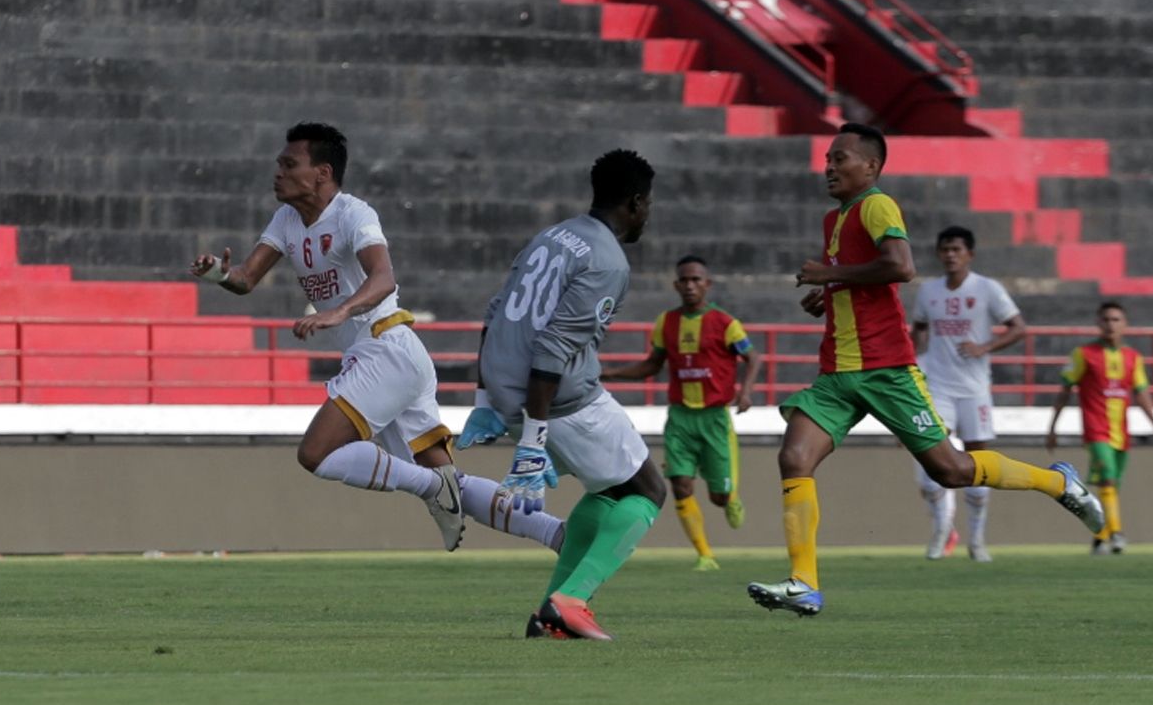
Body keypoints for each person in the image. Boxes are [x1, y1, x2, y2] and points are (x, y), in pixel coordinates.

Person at [748, 124, 1106, 617]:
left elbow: (901, 266)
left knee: (953, 470)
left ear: (870, 167)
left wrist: (831, 275)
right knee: (794, 458)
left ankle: (1059, 483)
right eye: (828, 158)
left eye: (841, 158)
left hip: (885, 369)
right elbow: (868, 278)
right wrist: (829, 294)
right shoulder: (836, 217)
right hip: (837, 373)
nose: (829, 166)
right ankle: (804, 583)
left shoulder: (877, 204)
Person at [188, 123, 565, 554]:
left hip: (386, 349)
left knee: (316, 454)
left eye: (289, 164)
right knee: (453, 483)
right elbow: (246, 278)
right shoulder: (286, 219)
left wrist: (339, 311)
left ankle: (429, 487)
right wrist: (218, 272)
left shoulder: (354, 213)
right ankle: (557, 533)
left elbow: (384, 277)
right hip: (390, 358)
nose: (278, 172)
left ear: (322, 173)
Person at [459, 149, 665, 641]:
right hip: (557, 400)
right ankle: (570, 601)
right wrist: (534, 438)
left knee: (608, 490)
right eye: (648, 203)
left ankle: (549, 615)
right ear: (636, 202)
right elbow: (553, 349)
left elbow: (495, 311)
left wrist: (486, 401)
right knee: (647, 491)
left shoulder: (551, 237)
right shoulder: (608, 261)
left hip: (513, 395)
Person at [603, 255, 761, 572]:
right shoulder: (667, 323)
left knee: (718, 496)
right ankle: (705, 555)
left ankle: (729, 498)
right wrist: (608, 374)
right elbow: (652, 365)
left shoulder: (725, 323)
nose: (690, 285)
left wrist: (745, 391)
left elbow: (753, 358)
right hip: (680, 418)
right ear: (676, 285)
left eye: (696, 280)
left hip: (715, 419)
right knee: (680, 485)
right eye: (684, 280)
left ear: (707, 284)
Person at [907, 225, 1027, 562]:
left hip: (974, 390)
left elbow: (1019, 327)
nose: (950, 255)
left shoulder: (987, 289)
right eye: (945, 249)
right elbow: (917, 329)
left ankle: (977, 538)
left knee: (977, 459)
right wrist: (914, 365)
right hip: (938, 388)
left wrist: (985, 346)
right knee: (930, 453)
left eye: (956, 249)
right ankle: (942, 529)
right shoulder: (929, 292)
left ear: (969, 254)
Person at [1046, 302, 1153, 554]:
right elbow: (1065, 390)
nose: (1111, 324)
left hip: (1121, 432)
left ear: (1125, 324)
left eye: (1116, 320)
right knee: (1109, 479)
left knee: (1109, 485)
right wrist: (1052, 427)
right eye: (1106, 320)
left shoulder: (1133, 357)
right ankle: (1117, 534)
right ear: (1098, 323)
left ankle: (1100, 536)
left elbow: (1141, 393)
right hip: (1096, 430)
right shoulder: (1083, 354)